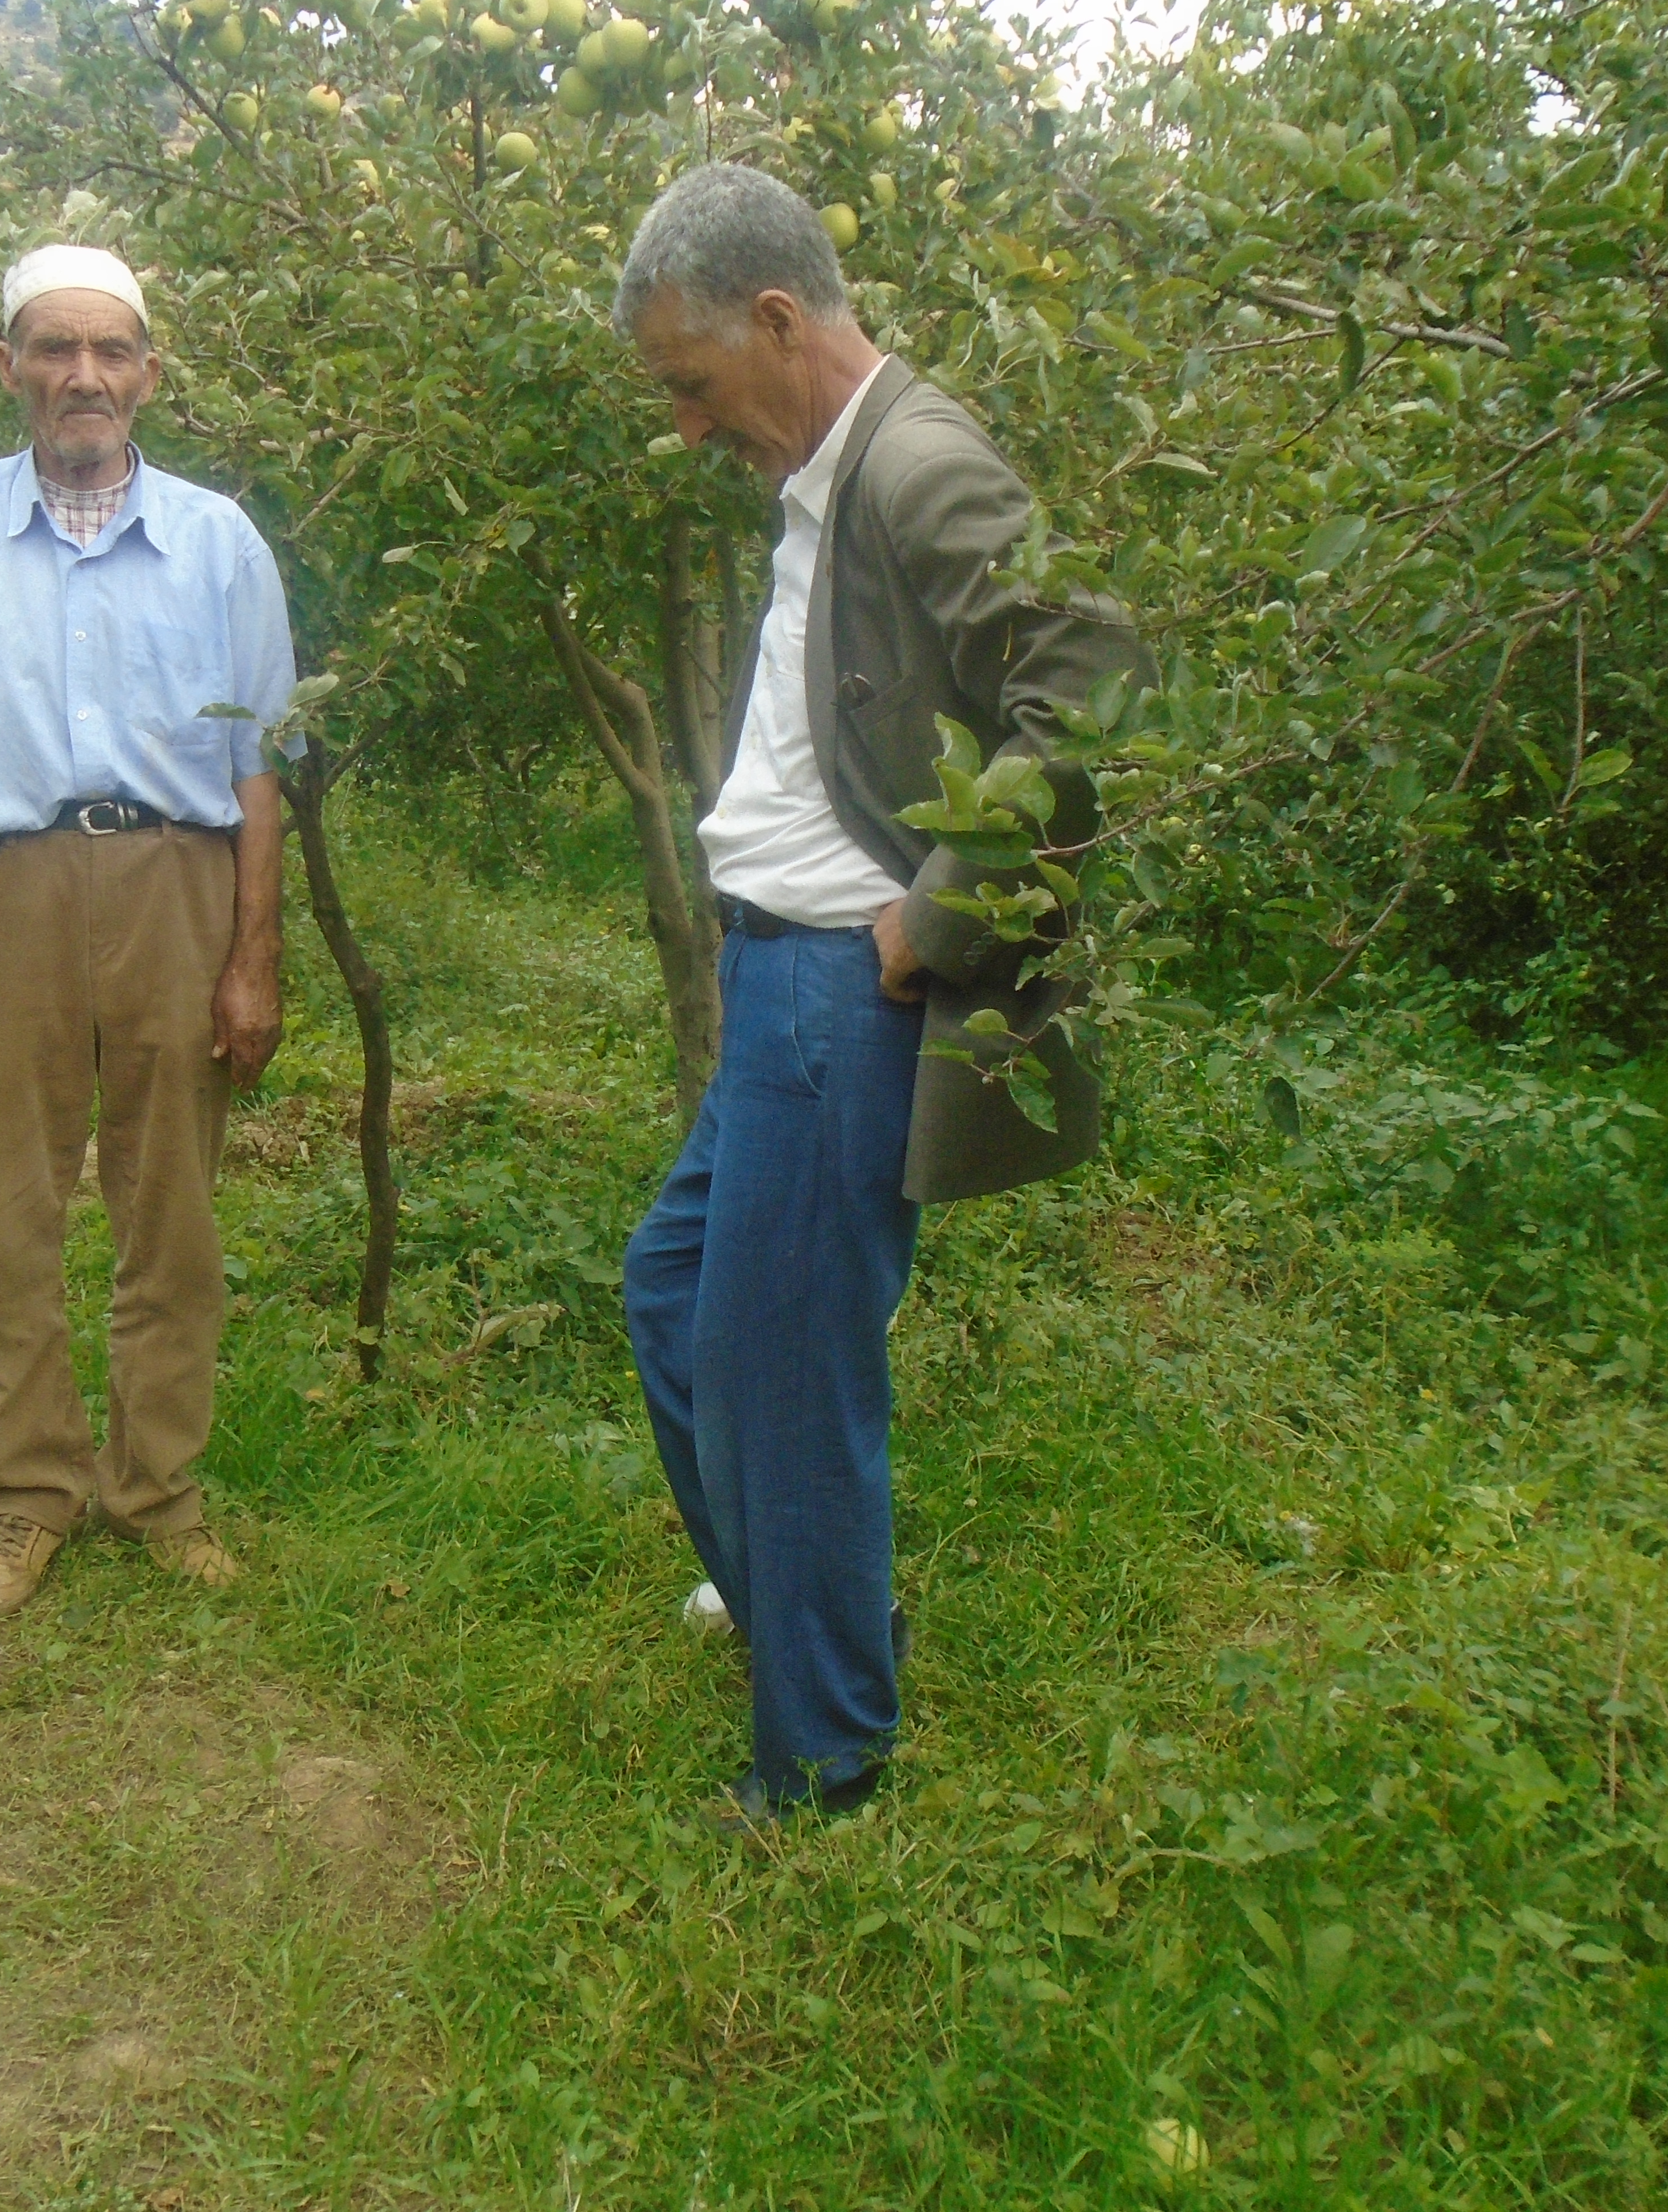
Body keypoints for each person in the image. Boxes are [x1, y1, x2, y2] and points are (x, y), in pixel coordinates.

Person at [613, 166, 1143, 1826]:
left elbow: (1097, 688)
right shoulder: (835, 469)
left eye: (694, 384)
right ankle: (814, 1627)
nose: (687, 427)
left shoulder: (918, 462)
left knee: (789, 1372)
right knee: (675, 1293)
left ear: (779, 321)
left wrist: (943, 916)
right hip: (785, 976)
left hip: (843, 987)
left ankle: (825, 1761)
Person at [0, 243, 297, 1621]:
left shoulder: (219, 540)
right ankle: (28, 1496)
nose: (81, 377)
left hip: (176, 884)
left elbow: (260, 770)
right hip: (3, 887)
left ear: (150, 375)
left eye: (109, 351)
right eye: (52, 349)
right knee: (4, 1213)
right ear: (9, 371)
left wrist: (252, 957)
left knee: (173, 1214)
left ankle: (156, 1491)